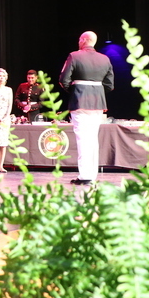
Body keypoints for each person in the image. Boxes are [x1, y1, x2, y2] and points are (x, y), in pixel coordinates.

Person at [59, 31, 114, 185]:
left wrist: (75, 90)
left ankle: (85, 176)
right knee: (93, 138)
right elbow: (110, 85)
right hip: (98, 102)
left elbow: (63, 79)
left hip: (80, 101)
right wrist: (96, 91)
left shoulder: (74, 56)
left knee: (83, 138)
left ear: (84, 40)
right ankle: (92, 174)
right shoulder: (105, 59)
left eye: (79, 39)